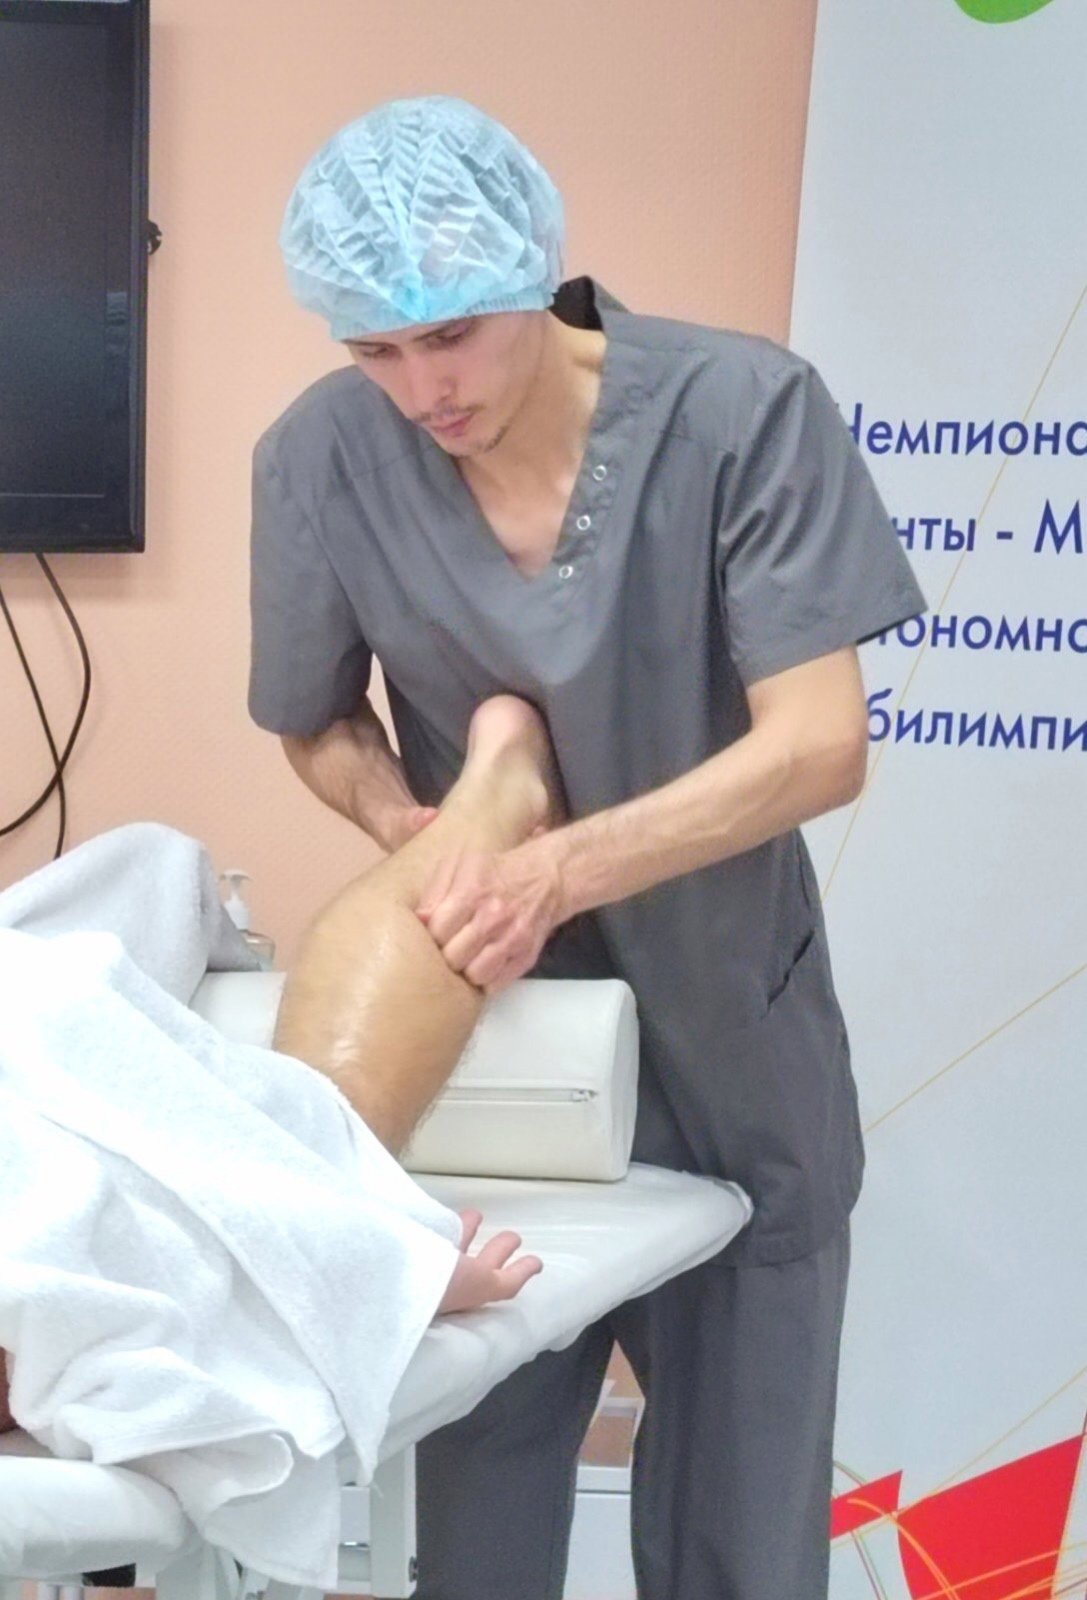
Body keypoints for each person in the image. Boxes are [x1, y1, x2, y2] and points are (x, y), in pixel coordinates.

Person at [250, 94, 927, 1599]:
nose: (421, 390)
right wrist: (413, 831)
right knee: (476, 1516)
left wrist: (554, 867)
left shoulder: (741, 413)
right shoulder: (318, 458)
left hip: (729, 1031)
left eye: (453, 336)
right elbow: (315, 721)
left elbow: (821, 742)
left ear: (532, 274)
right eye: (374, 351)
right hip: (490, 1045)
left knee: (743, 1531)